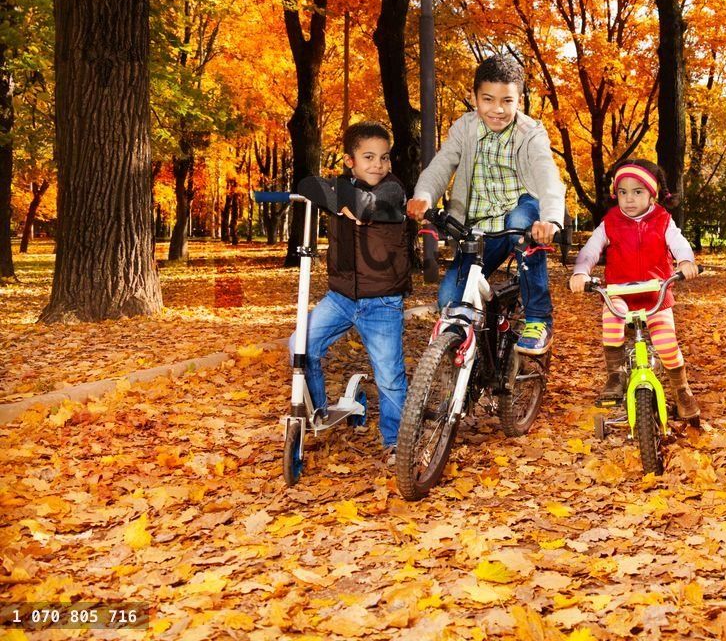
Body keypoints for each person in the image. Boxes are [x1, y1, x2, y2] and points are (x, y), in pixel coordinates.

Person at [406, 54, 565, 355]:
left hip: (520, 216)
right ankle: (482, 362)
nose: (497, 109)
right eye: (488, 99)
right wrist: (424, 196)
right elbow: (441, 166)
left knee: (520, 221)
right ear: (474, 97)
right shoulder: (464, 130)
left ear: (519, 100)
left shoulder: (530, 134)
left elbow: (547, 176)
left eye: (507, 100)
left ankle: (538, 319)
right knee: (449, 299)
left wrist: (551, 220)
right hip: (478, 231)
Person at [296, 121, 411, 464]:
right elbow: (305, 183)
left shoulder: (393, 191)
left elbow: (368, 206)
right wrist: (340, 196)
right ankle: (319, 411)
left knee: (390, 377)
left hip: (382, 301)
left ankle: (395, 442)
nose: (378, 165)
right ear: (350, 161)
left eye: (384, 158)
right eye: (368, 157)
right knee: (300, 347)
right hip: (341, 298)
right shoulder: (343, 186)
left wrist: (343, 199)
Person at [569, 159, 702, 420]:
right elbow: (591, 249)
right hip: (620, 292)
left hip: (656, 292)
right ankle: (615, 375)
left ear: (653, 195)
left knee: (666, 345)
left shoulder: (663, 220)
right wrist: (580, 272)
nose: (629, 199)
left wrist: (685, 261)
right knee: (612, 319)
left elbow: (680, 244)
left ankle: (681, 389)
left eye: (637, 191)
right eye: (623, 192)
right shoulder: (611, 222)